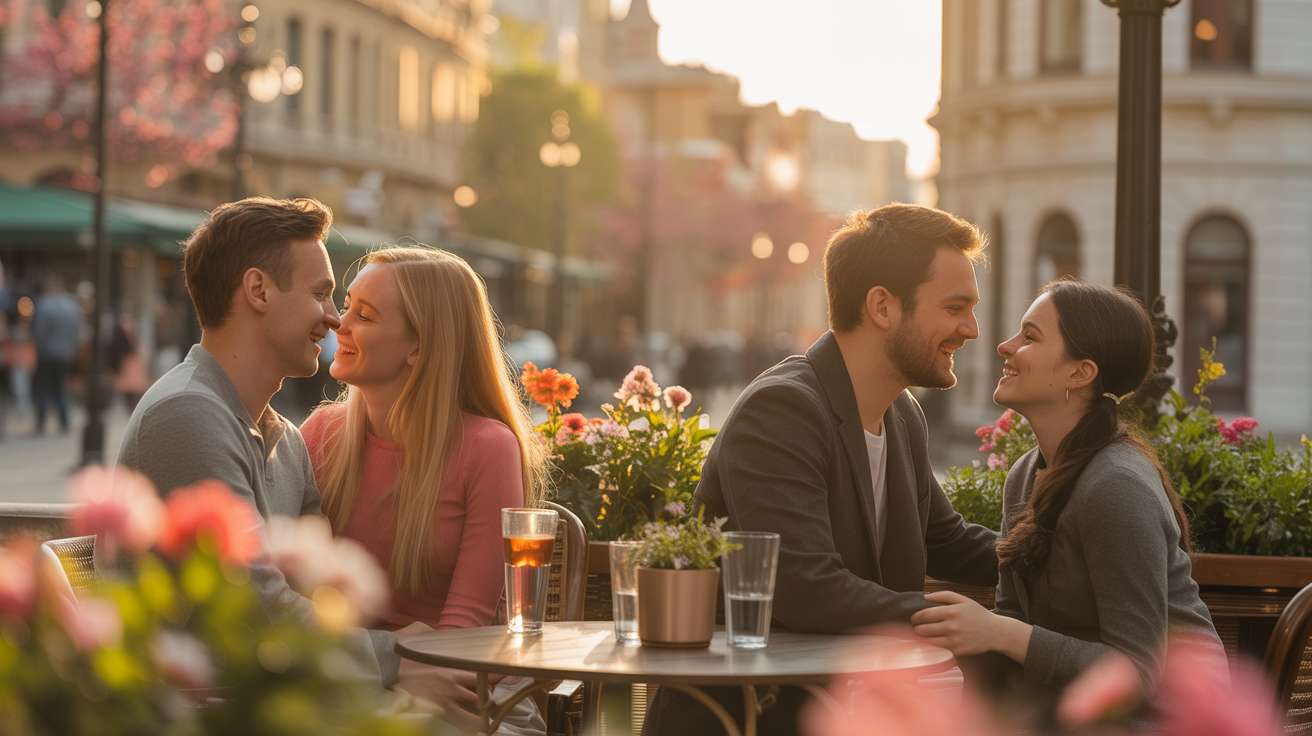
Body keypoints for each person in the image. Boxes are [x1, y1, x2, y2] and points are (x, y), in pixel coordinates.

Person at [644, 204, 1001, 736]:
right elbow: (808, 587)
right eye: (955, 307)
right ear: (882, 306)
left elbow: (950, 541)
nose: (970, 329)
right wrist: (956, 622)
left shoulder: (902, 415)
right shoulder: (781, 409)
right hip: (749, 719)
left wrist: (1060, 558)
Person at [118, 197, 451, 701]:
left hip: (279, 694)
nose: (335, 319)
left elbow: (322, 598)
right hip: (207, 708)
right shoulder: (187, 413)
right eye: (320, 293)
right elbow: (256, 609)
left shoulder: (287, 439)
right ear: (258, 290)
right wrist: (400, 656)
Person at [910, 279, 1225, 704]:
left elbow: (1135, 674)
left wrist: (1002, 633)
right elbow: (1012, 617)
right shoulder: (1025, 475)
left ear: (1080, 373)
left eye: (1030, 336)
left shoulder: (1117, 485)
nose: (1005, 345)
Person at [300, 246, 550, 733]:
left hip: (468, 693)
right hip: (352, 680)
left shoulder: (487, 448)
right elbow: (293, 597)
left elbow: (463, 633)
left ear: (419, 345)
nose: (338, 324)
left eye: (364, 315)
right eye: (346, 306)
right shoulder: (320, 434)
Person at [31, 275, 83, 434]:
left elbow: (39, 333)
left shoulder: (45, 304)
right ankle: (64, 422)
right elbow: (78, 332)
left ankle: (41, 423)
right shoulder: (72, 305)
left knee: (44, 387)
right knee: (61, 388)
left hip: (47, 353)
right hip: (66, 353)